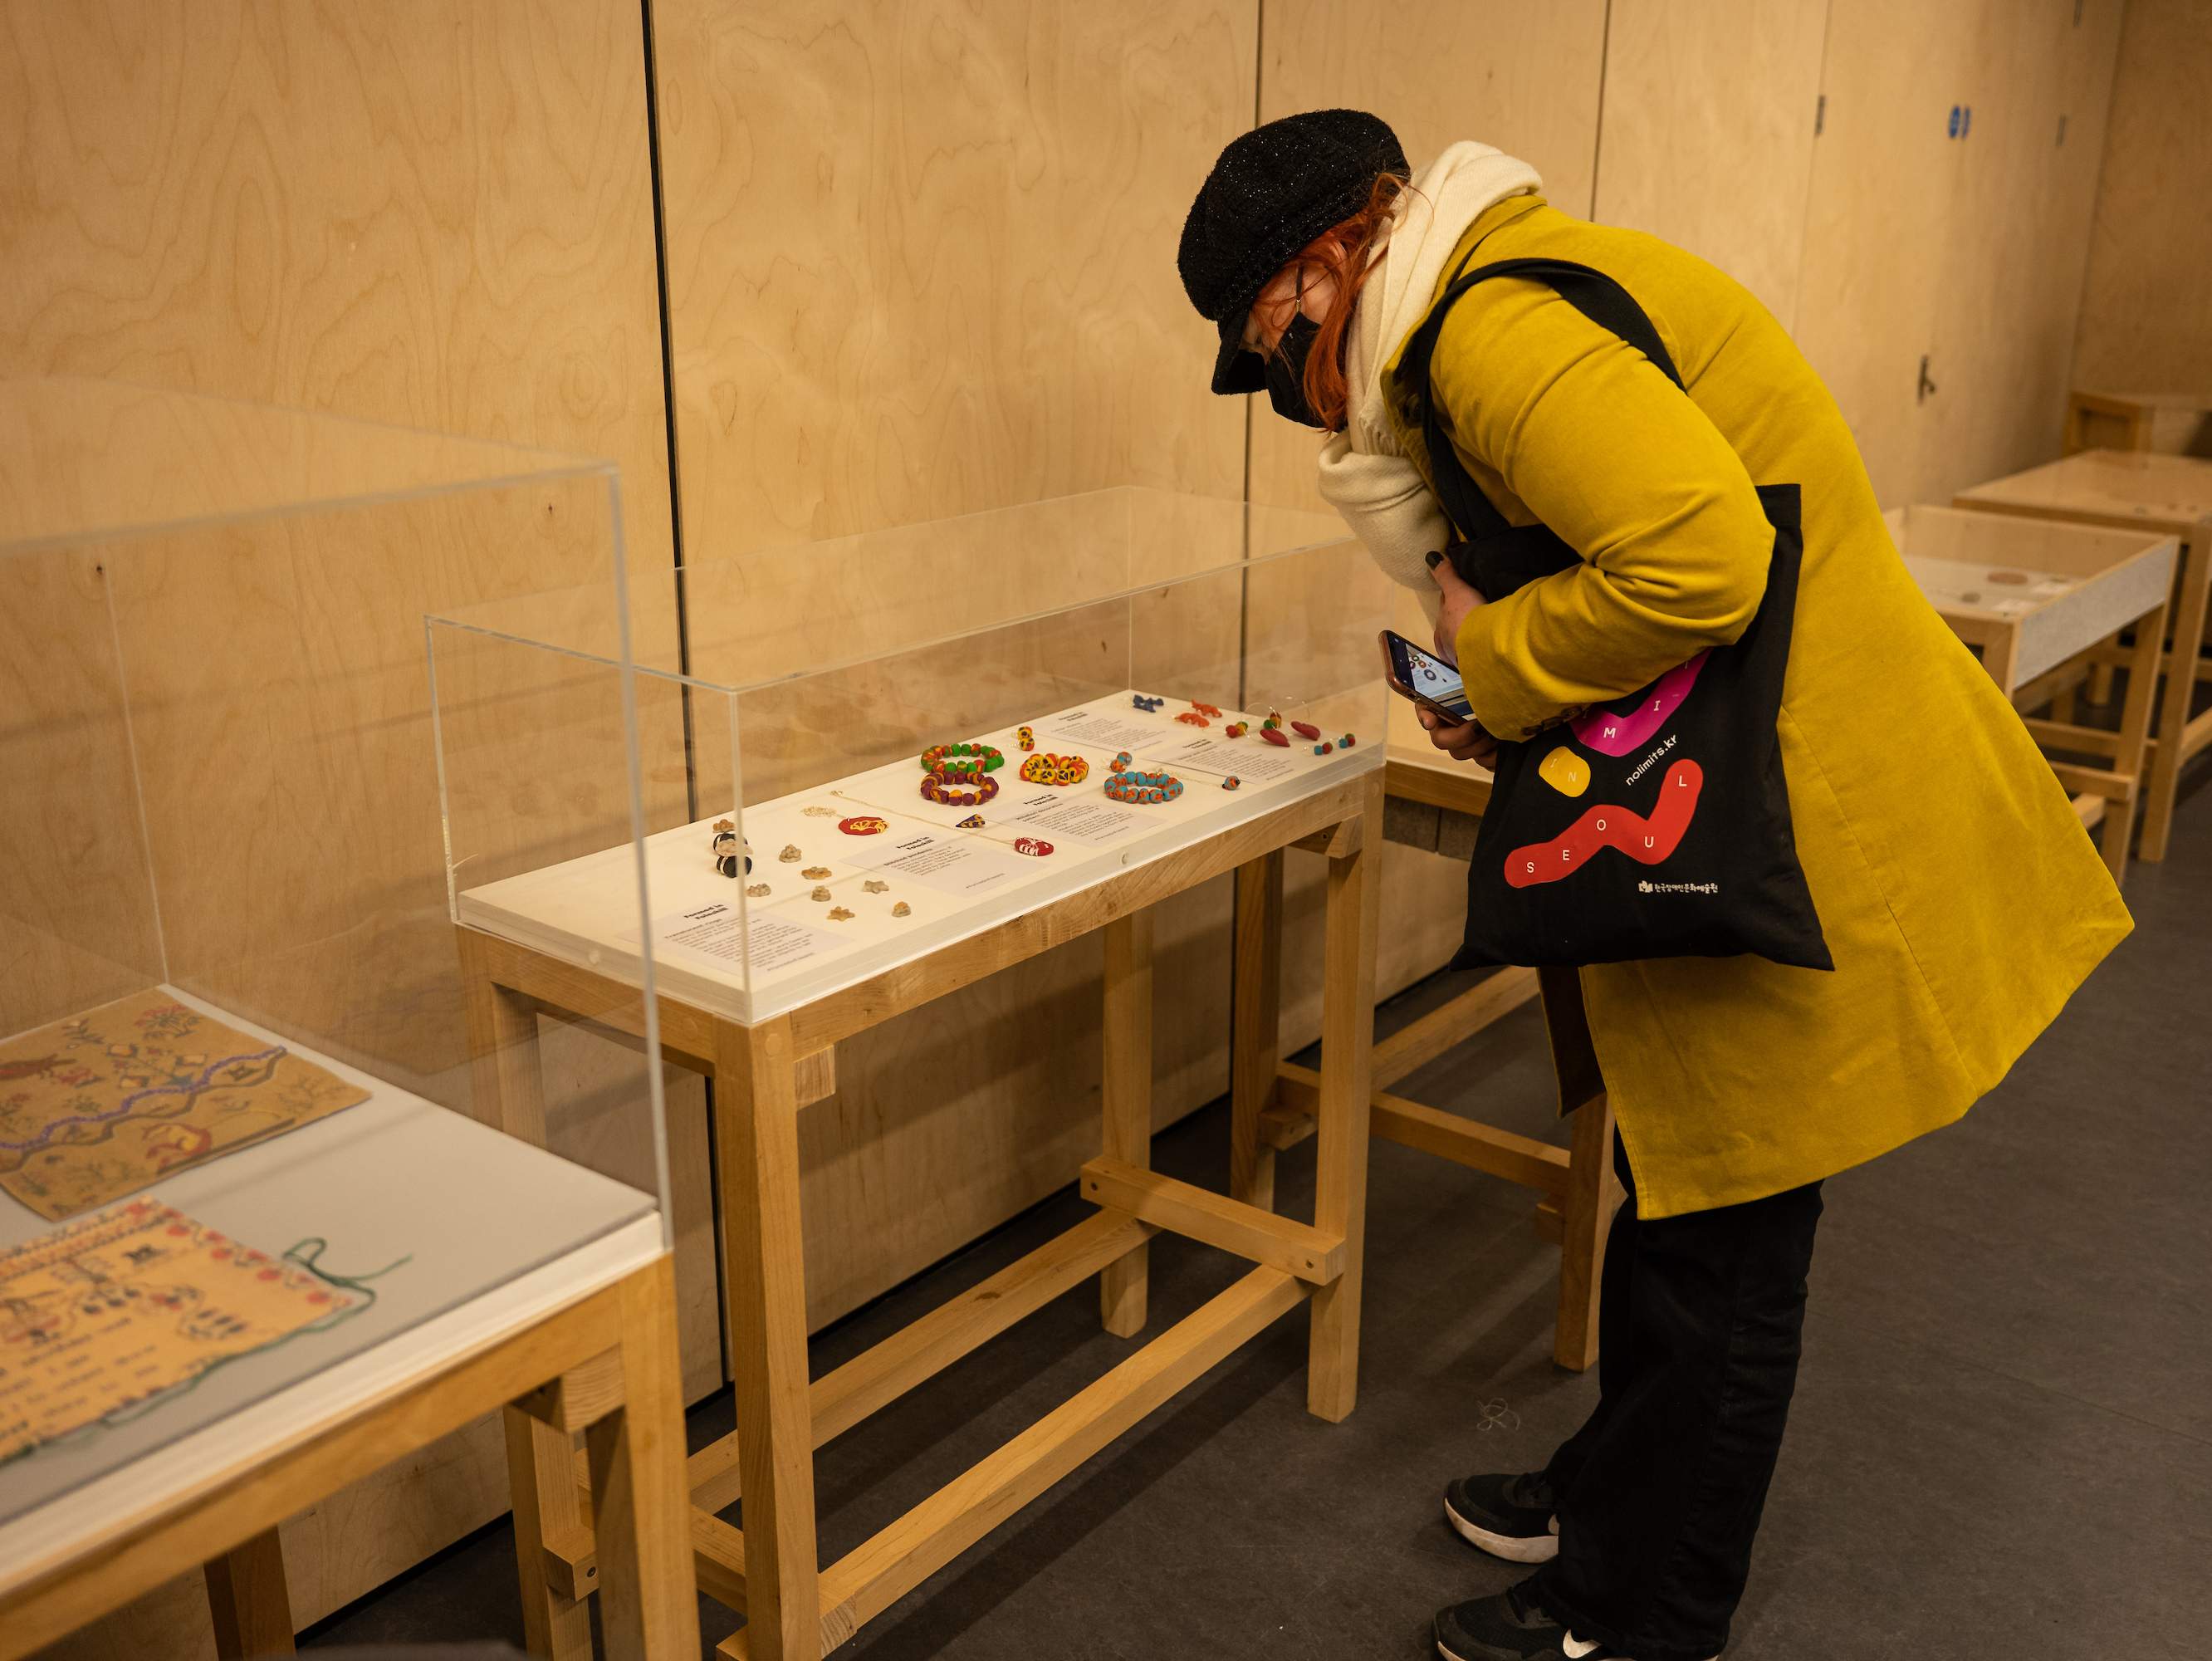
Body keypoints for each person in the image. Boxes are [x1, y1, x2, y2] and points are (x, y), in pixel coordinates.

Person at [1178, 110, 2131, 1661]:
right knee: (1679, 1193)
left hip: (1794, 816)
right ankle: (1612, 1495)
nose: (1300, 394)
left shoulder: (1488, 332)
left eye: (1280, 346)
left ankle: (1636, 1612)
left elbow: (1698, 562)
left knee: (1727, 1238)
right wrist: (1510, 665)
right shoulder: (1503, 290)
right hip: (1741, 792)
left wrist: (1496, 665)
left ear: (1339, 256)